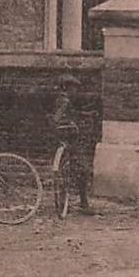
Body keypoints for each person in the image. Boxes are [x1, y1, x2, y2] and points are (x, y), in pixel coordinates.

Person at [49, 74, 93, 214]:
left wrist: (85, 114)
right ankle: (84, 203)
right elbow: (56, 118)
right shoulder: (64, 101)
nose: (75, 91)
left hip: (64, 139)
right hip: (69, 140)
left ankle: (68, 202)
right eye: (74, 88)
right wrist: (68, 126)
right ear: (67, 87)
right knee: (83, 169)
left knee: (70, 170)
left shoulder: (60, 100)